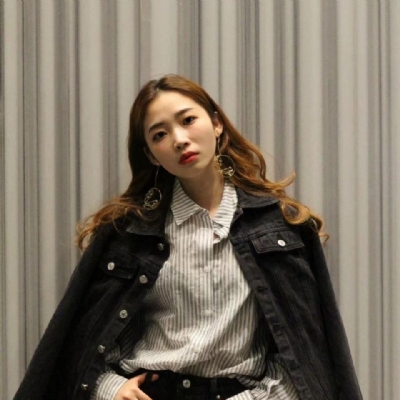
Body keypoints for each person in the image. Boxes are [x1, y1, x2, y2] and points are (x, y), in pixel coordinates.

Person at [14, 74, 362, 400]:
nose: (179, 139)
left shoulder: (280, 225)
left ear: (216, 123)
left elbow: (305, 352)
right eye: (159, 135)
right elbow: (83, 342)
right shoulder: (128, 232)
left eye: (188, 120)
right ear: (151, 155)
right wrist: (111, 389)